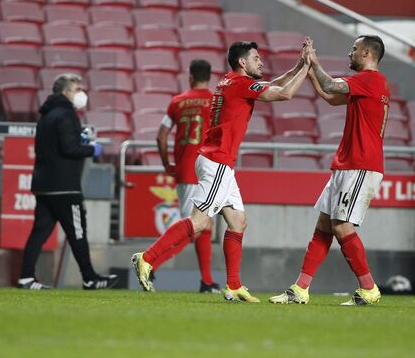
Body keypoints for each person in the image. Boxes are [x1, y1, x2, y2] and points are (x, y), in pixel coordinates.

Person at [132, 39, 313, 302]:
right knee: (200, 221)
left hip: (218, 162)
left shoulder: (229, 81)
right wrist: (307, 68)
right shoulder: (240, 85)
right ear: (242, 62)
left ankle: (233, 285)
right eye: (256, 58)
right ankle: (146, 258)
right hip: (217, 161)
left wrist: (298, 66)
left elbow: (274, 84)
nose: (261, 61)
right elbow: (283, 93)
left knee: (238, 222)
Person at [270, 35, 390, 307]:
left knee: (341, 225)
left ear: (368, 53)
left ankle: (369, 288)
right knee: (324, 225)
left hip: (361, 164)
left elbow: (329, 84)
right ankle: (300, 289)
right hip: (347, 164)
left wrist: (315, 61)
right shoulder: (369, 84)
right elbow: (330, 96)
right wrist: (310, 69)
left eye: (354, 49)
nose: (350, 53)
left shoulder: (370, 80)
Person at [17, 74, 119, 291]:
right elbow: (69, 148)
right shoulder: (66, 114)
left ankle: (26, 277)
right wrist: (93, 149)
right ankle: (89, 278)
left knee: (39, 233)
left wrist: (78, 140)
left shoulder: (45, 115)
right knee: (78, 232)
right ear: (65, 92)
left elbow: (56, 145)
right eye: (77, 89)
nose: (81, 93)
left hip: (44, 184)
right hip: (64, 186)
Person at [152, 59, 220, 293]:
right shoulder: (215, 101)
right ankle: (150, 262)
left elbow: (161, 136)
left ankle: (207, 281)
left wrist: (166, 164)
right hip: (208, 168)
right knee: (193, 226)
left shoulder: (177, 102)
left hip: (185, 169)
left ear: (190, 77)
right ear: (209, 77)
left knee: (203, 225)